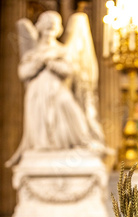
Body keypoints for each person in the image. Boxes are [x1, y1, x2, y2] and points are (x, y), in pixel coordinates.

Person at [6, 11, 106, 167]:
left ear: (58, 29)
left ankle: (85, 142)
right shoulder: (33, 52)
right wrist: (39, 62)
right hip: (37, 94)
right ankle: (44, 148)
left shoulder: (62, 50)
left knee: (73, 114)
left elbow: (69, 70)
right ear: (40, 27)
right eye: (47, 26)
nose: (49, 30)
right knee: (41, 124)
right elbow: (23, 72)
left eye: (53, 26)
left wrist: (51, 63)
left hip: (58, 91)